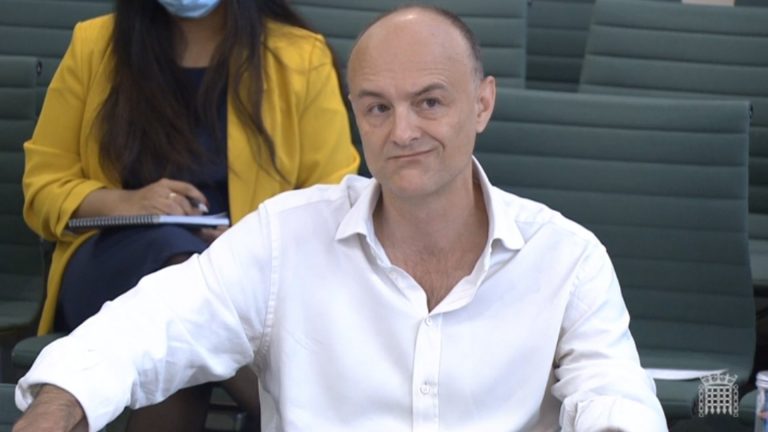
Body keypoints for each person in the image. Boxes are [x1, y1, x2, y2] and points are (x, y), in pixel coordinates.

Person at [14, 5, 667, 432]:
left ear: (482, 104)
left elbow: (612, 396)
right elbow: (147, 328)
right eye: (378, 107)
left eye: (429, 102)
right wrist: (58, 405)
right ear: (357, 113)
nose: (402, 131)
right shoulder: (284, 238)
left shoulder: (567, 258)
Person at [21, 0, 358, 429]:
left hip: (246, 271)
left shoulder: (299, 56)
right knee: (183, 280)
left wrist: (251, 240)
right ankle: (312, 417)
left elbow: (331, 199)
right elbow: (43, 186)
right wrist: (125, 203)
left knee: (177, 345)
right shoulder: (95, 45)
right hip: (113, 262)